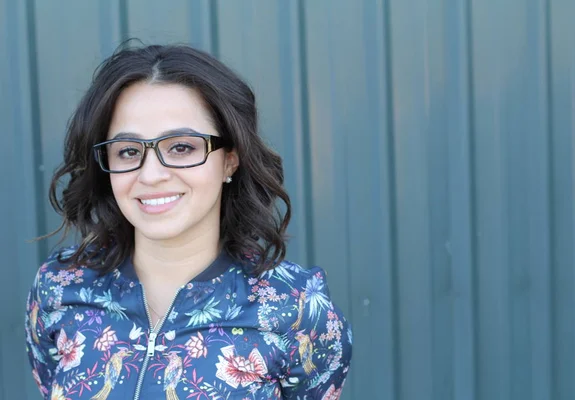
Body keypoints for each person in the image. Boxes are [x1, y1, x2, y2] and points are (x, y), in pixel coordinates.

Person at [25, 43, 352, 400]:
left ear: (230, 159)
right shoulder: (59, 288)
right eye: (128, 151)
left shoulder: (297, 307)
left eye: (181, 147)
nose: (151, 175)